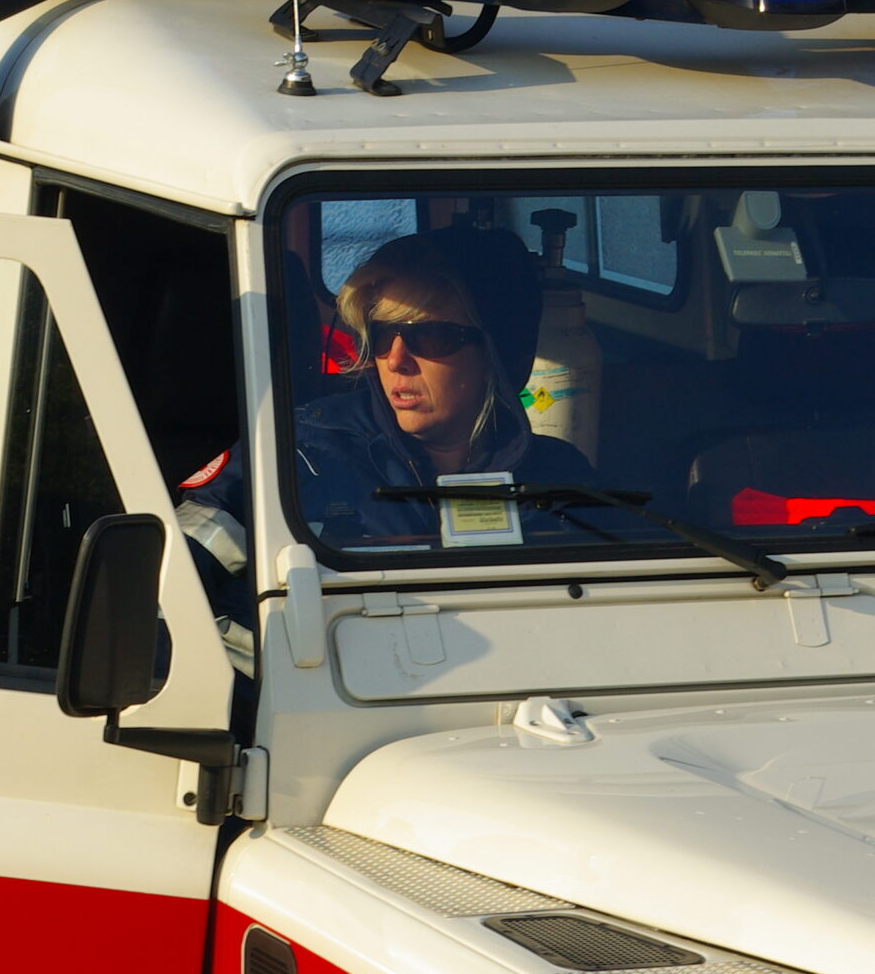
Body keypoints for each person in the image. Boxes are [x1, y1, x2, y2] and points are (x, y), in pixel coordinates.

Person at [180, 225, 596, 665]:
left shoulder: (556, 477)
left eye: (429, 336)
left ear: (496, 353)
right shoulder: (292, 458)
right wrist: (271, 678)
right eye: (382, 335)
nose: (396, 360)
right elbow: (161, 594)